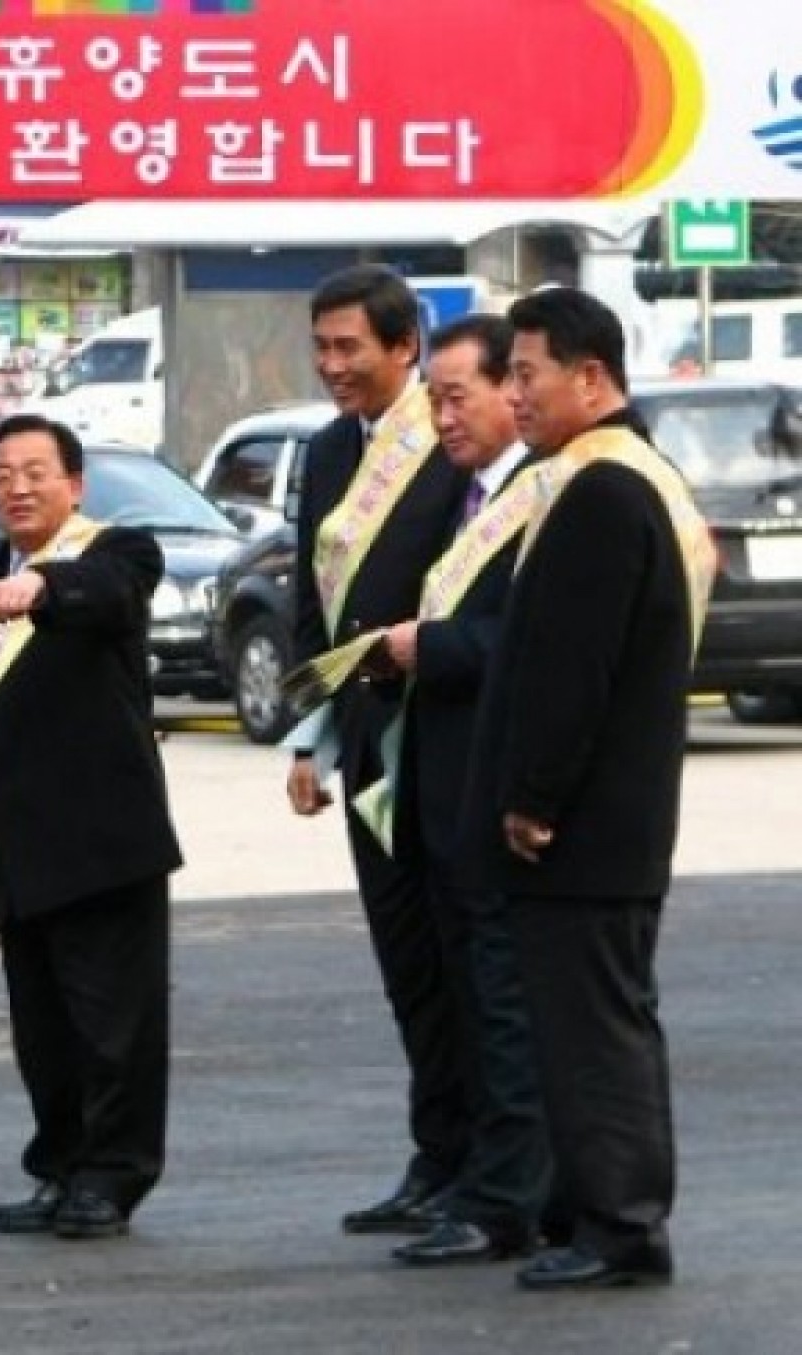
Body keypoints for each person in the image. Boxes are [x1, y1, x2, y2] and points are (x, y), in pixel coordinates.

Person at [463, 287, 716, 1291]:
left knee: (595, 1030)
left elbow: (572, 670)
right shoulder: (612, 475)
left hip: (586, 826)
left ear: (592, 377)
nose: (513, 394)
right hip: (608, 819)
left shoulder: (604, 490)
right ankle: (594, 1209)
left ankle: (620, 1225)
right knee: (592, 1022)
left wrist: (534, 795)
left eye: (526, 373)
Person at [0, 412, 182, 1240]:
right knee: (42, 1030)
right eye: (2, 473)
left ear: (75, 484)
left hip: (104, 842)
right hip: (13, 842)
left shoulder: (117, 551)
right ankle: (62, 1163)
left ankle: (113, 1175)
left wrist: (45, 587)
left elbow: (109, 592)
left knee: (115, 1024)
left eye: (37, 470)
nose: (18, 486)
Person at [285, 264, 472, 1234]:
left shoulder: (449, 447)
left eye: (350, 347)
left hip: (434, 735)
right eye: (321, 348)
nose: (332, 366)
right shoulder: (322, 453)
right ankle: (434, 1149)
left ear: (406, 347)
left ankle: (479, 1159)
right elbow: (312, 606)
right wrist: (310, 736)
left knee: (455, 956)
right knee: (405, 957)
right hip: (362, 744)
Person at [366, 317, 552, 1268]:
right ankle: (478, 1174)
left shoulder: (538, 496)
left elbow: (527, 641)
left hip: (495, 790)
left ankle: (509, 1196)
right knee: (467, 1002)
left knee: (506, 1004)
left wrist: (426, 647)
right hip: (438, 791)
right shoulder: (464, 495)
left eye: (456, 395)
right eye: (431, 399)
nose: (440, 417)